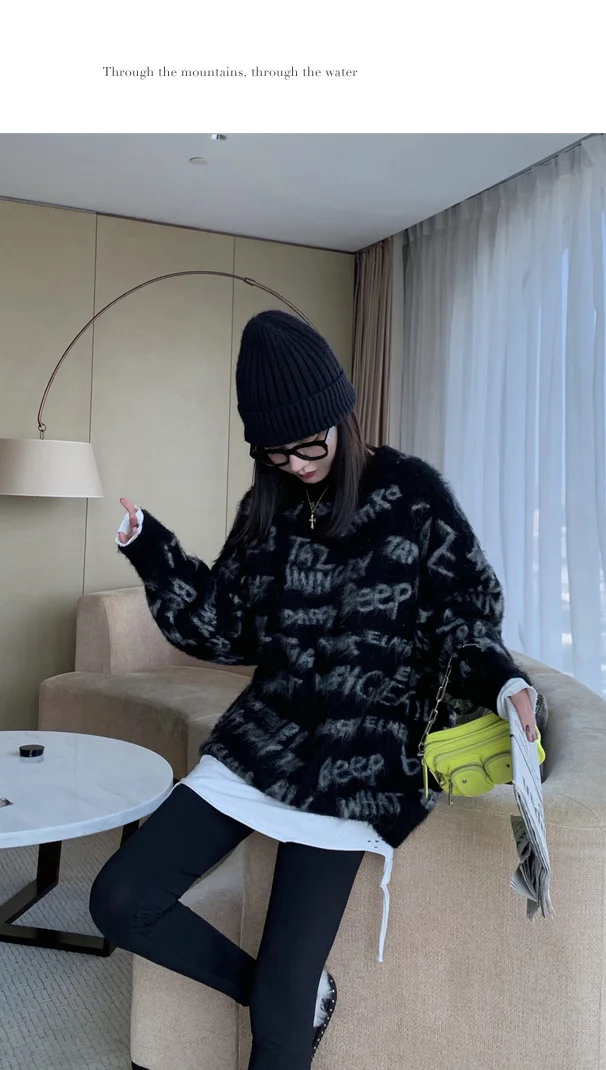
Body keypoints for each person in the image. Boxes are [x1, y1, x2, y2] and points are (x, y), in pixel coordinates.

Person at [89, 310, 540, 1070]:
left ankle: (291, 1000)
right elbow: (227, 630)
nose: (296, 464)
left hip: (362, 759)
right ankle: (300, 996)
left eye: (310, 446)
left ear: (342, 419)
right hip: (264, 738)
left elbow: (462, 612)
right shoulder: (265, 508)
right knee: (120, 901)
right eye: (276, 452)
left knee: (278, 1019)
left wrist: (505, 682)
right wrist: (153, 552)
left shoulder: (411, 493)